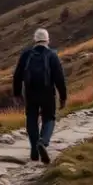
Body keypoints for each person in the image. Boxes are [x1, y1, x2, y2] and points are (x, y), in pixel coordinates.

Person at [13, 28, 67, 164]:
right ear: (47, 40)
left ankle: (34, 149)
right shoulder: (52, 55)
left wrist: (17, 93)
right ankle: (43, 142)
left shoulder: (26, 54)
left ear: (35, 40)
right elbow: (59, 78)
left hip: (30, 92)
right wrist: (63, 97)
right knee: (49, 118)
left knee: (31, 119)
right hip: (47, 92)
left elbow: (17, 75)